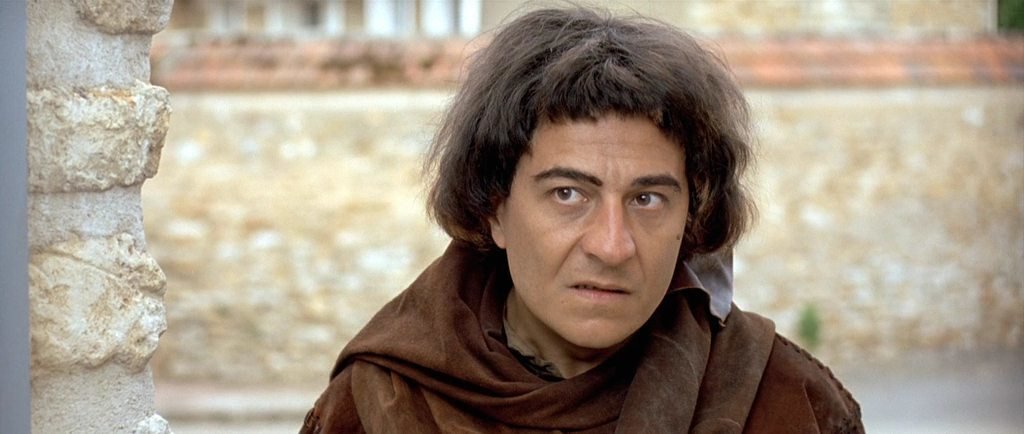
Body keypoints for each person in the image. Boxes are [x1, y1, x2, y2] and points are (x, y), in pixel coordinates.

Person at [301, 7, 862, 433]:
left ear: (691, 216)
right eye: (568, 194)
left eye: (647, 199)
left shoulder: (790, 404)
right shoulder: (376, 408)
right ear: (494, 208)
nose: (612, 246)